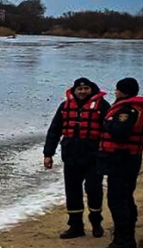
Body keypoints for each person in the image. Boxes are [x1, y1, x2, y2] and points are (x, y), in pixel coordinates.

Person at [43, 77, 110, 239]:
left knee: (93, 189)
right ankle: (75, 226)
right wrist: (48, 154)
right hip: (71, 156)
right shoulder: (65, 107)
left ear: (91, 90)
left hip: (94, 156)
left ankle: (96, 222)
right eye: (79, 89)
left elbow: (110, 132)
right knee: (72, 192)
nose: (82, 92)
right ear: (74, 91)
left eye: (86, 88)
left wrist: (109, 155)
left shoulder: (102, 106)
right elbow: (54, 131)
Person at [97, 77, 143, 248]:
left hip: (122, 160)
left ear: (123, 91)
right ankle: (128, 238)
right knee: (126, 198)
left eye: (117, 90)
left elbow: (120, 133)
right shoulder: (140, 109)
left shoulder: (128, 110)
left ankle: (121, 240)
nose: (115, 92)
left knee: (117, 200)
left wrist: (107, 122)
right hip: (131, 158)